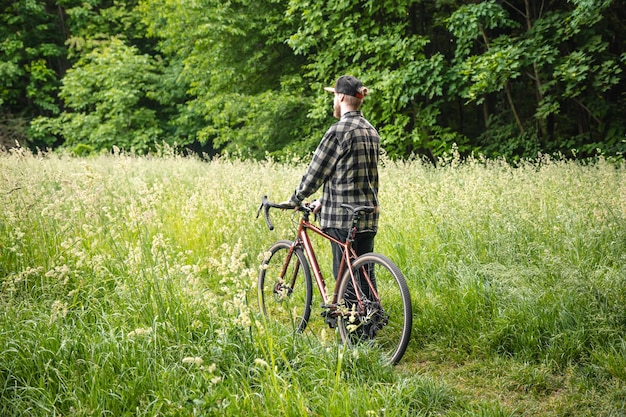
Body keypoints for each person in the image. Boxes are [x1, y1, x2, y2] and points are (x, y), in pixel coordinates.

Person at [286, 75, 380, 281]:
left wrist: (296, 198)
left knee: (344, 280)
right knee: (364, 277)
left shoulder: (338, 131)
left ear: (341, 97)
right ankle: (372, 312)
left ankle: (344, 313)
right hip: (368, 215)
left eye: (334, 96)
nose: (333, 101)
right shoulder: (371, 131)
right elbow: (354, 176)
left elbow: (315, 173)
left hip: (342, 218)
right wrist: (323, 200)